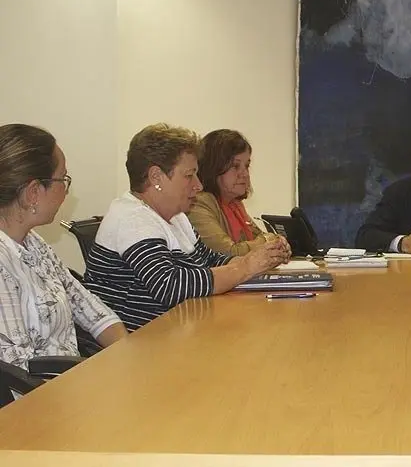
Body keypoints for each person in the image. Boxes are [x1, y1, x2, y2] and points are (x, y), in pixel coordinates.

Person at [85, 124, 291, 331]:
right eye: (189, 175)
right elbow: (170, 286)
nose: (198, 185)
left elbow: (210, 260)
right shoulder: (132, 218)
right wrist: (245, 268)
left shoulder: (176, 217)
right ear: (156, 177)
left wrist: (262, 260)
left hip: (178, 333)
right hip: (139, 347)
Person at [0, 124, 126, 370]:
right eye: (62, 179)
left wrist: (127, 350)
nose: (66, 191)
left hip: (69, 382)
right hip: (39, 399)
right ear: (33, 192)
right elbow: (16, 372)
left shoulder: (34, 242)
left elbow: (86, 305)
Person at [188, 129, 286, 256]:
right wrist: (269, 241)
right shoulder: (198, 203)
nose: (245, 174)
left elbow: (262, 240)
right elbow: (228, 253)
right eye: (235, 166)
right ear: (213, 167)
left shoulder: (235, 204)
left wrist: (278, 244)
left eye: (247, 166)